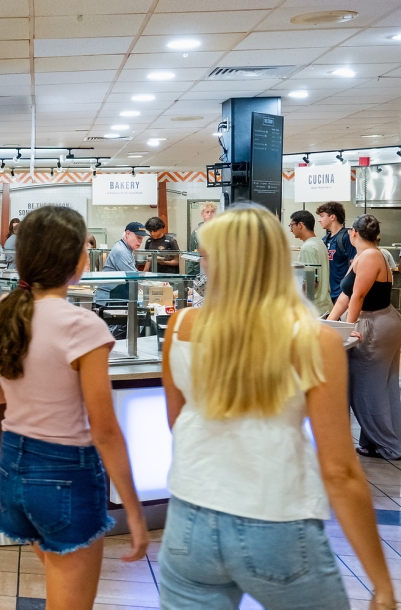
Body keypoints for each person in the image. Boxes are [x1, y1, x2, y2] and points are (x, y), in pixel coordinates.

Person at [159, 204, 395, 610]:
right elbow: (339, 470)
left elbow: (176, 422)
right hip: (279, 520)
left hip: (188, 521)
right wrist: (382, 583)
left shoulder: (180, 327)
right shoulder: (315, 341)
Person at [0, 205, 148, 609]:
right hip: (65, 473)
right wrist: (134, 510)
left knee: (57, 579)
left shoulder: (1, 311)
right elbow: (105, 430)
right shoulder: (83, 326)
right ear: (78, 259)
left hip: (12, 469)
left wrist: (25, 393)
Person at [327, 215, 401, 461]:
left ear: (353, 233)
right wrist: (330, 322)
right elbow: (345, 296)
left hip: (375, 325)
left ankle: (391, 444)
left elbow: (358, 297)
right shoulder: (362, 255)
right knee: (382, 385)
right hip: (375, 321)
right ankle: (374, 442)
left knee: (367, 389)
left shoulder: (370, 256)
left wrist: (347, 330)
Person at [290, 210, 334, 316]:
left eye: (291, 225)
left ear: (300, 225)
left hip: (315, 310)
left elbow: (311, 283)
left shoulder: (308, 247)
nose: (291, 230)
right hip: (324, 306)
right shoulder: (319, 242)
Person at [94, 222, 148, 305]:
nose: (140, 241)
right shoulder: (122, 252)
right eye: (138, 238)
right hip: (107, 300)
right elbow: (134, 277)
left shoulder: (125, 248)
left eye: (142, 239)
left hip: (115, 297)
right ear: (127, 234)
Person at [319, 201, 357, 301]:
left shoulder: (346, 237)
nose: (319, 220)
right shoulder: (325, 239)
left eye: (322, 216)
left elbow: (355, 265)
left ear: (332, 217)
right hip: (328, 294)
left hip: (343, 294)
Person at [187, 203, 216, 275]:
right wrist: (190, 273)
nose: (210, 214)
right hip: (199, 268)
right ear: (202, 214)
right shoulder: (196, 233)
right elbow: (192, 252)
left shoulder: (220, 230)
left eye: (212, 212)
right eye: (207, 212)